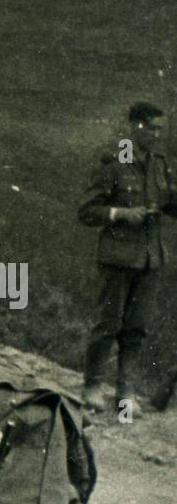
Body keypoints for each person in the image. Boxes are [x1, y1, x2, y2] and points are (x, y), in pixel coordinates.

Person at [78, 102, 177, 416]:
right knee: (107, 325)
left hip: (150, 259)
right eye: (153, 128)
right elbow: (88, 211)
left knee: (136, 329)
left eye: (161, 129)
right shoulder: (117, 158)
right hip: (118, 257)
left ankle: (125, 394)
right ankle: (93, 386)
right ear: (136, 126)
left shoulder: (159, 163)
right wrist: (122, 213)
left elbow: (168, 202)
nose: (158, 134)